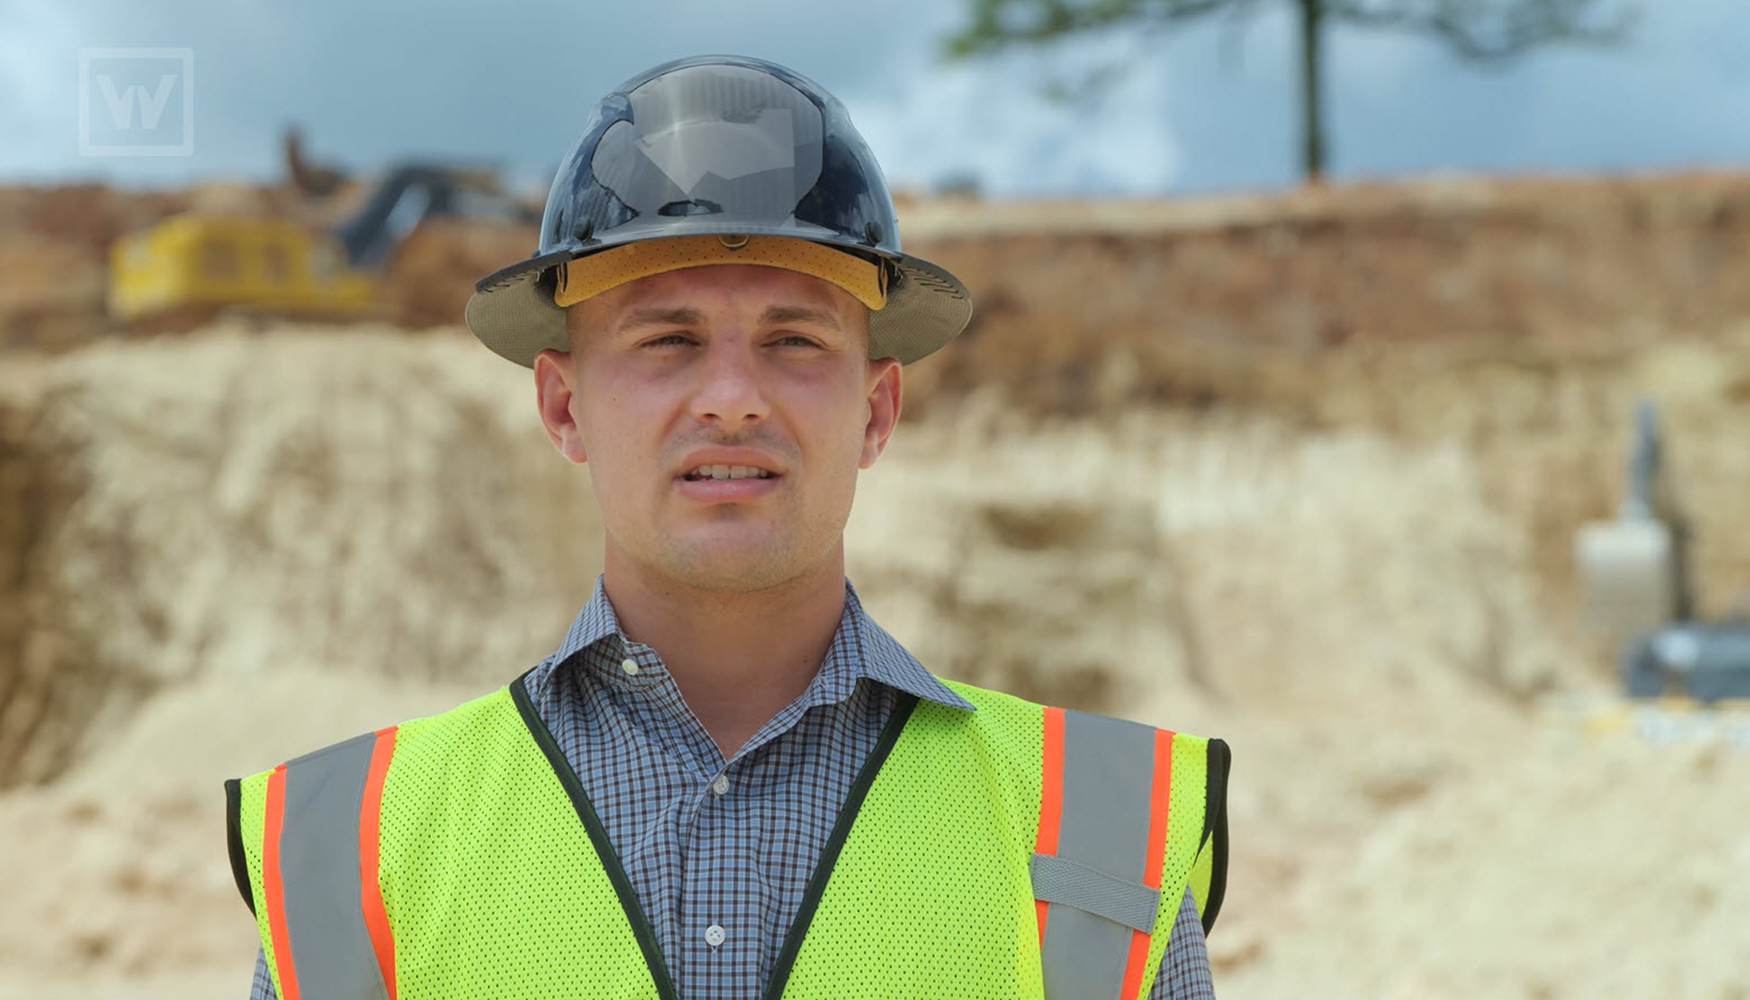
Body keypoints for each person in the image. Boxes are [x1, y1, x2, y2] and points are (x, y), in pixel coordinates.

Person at [228, 54, 1229, 1000]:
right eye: (668, 340)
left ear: (876, 410)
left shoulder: (1098, 830)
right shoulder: (353, 850)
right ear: (563, 407)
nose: (733, 398)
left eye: (793, 340)